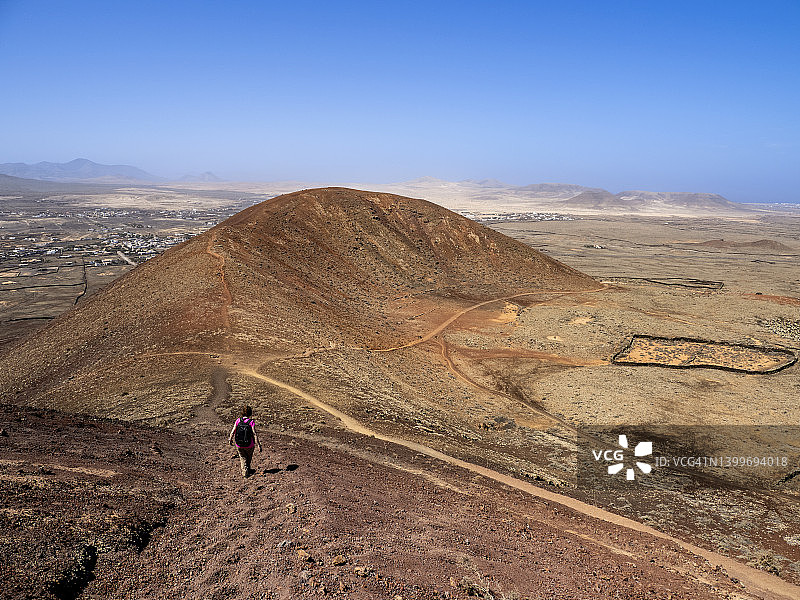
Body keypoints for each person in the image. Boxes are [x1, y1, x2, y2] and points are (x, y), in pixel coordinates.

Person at [229, 405, 262, 478]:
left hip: (239, 444)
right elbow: (254, 434)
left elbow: (233, 431)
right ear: (250, 413)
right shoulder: (251, 422)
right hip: (249, 444)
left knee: (242, 457)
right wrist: (258, 445)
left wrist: (230, 439)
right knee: (248, 457)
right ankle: (246, 471)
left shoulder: (238, 420)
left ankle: (246, 470)